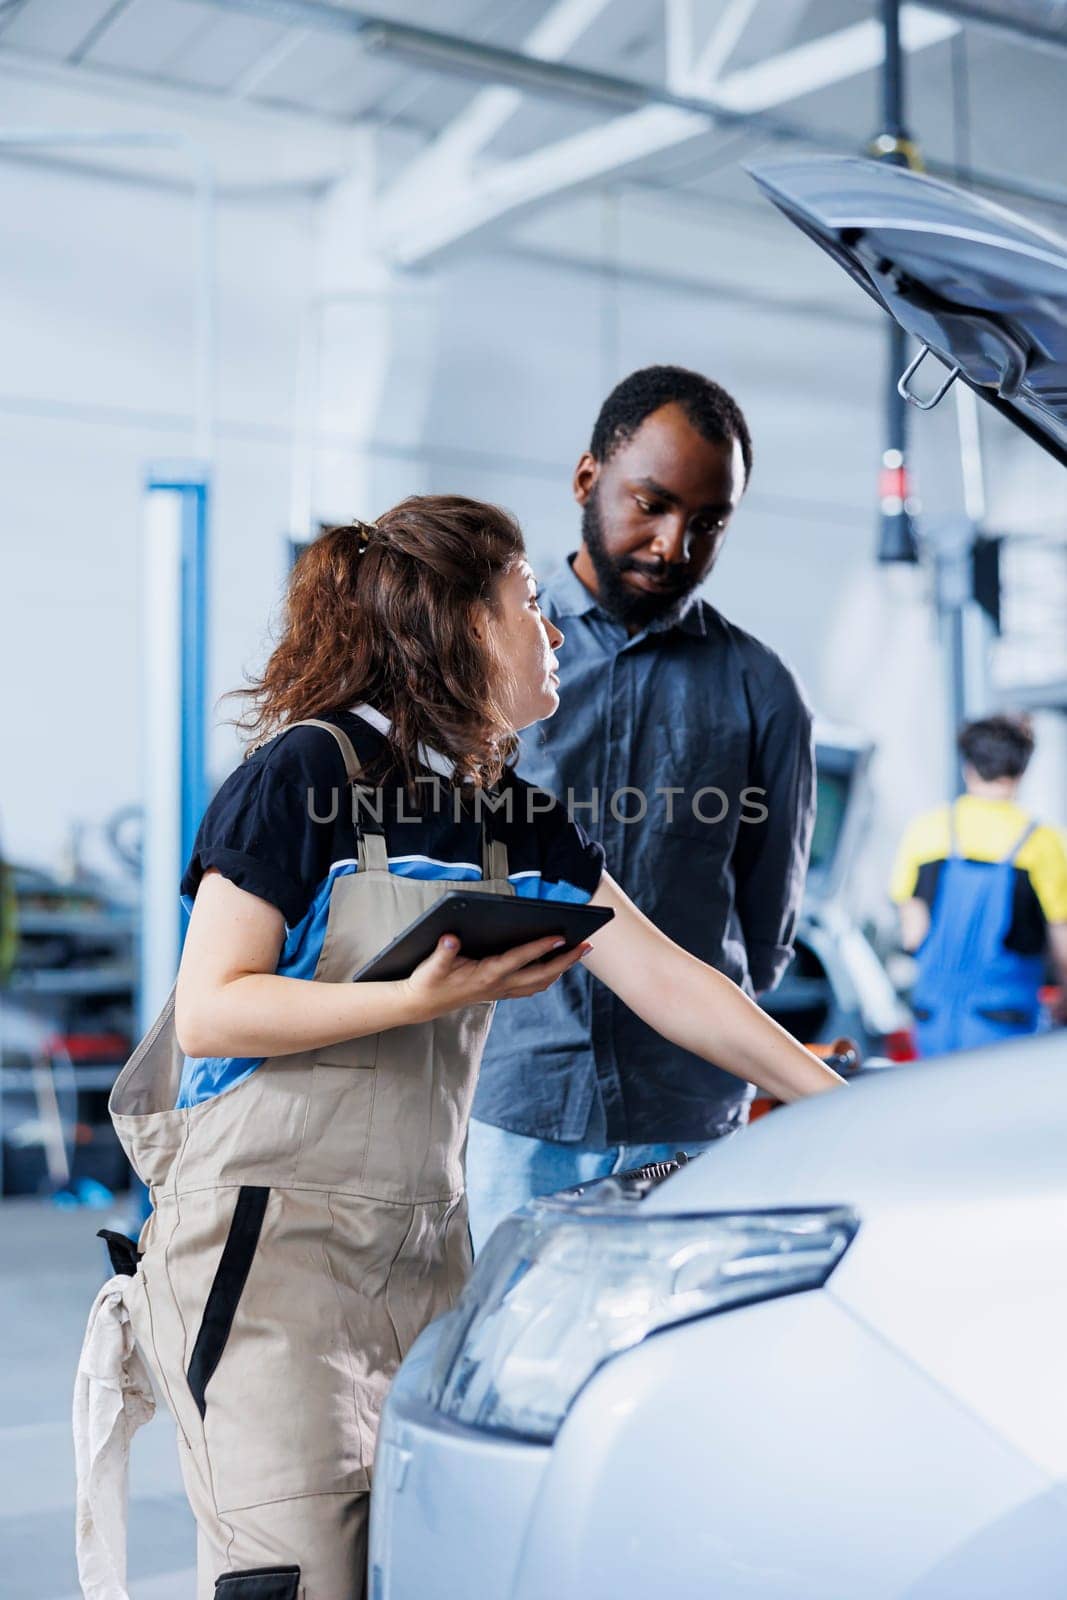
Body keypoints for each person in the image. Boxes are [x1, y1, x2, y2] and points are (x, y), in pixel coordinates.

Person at [84, 496, 843, 1600]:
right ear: (460, 624)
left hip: (428, 1260)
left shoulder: (505, 818)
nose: (550, 633)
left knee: (430, 1563)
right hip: (266, 1262)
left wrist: (841, 1104)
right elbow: (213, 1008)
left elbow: (674, 980)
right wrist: (414, 996)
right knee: (300, 1574)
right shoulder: (302, 777)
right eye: (529, 604)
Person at [468, 366, 816, 1250]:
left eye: (708, 523)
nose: (673, 544)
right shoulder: (489, 661)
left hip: (689, 1114)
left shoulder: (762, 690)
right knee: (500, 1361)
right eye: (650, 505)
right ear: (587, 480)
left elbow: (766, 922)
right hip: (510, 1103)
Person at [891, 713, 1067, 1055]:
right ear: (1023, 769)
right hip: (1005, 1019)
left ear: (967, 765)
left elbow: (912, 931)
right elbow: (1061, 936)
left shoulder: (927, 829)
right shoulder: (1042, 842)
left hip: (932, 1018)